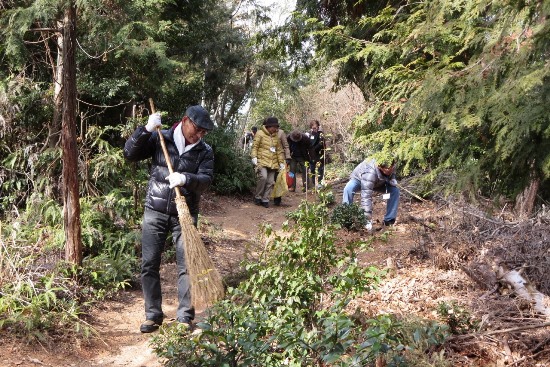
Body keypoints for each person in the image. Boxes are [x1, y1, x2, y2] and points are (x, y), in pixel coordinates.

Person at [123, 105, 214, 333]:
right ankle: (153, 315)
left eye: (204, 132)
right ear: (185, 120)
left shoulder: (205, 151)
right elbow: (129, 154)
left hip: (185, 213)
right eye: (198, 129)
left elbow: (206, 180)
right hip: (155, 209)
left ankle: (185, 317)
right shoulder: (160, 138)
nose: (200, 135)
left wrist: (186, 178)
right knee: (149, 263)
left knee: (187, 265)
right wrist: (144, 130)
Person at [342, 155, 400, 230]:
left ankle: (389, 220)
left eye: (391, 168)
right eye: (387, 170)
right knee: (348, 189)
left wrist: (392, 178)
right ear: (380, 167)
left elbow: (392, 173)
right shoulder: (370, 173)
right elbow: (366, 196)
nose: (390, 170)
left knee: (394, 191)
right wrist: (367, 217)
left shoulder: (391, 163)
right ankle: (346, 219)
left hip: (378, 181)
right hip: (359, 180)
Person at [251, 117, 285, 208]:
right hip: (262, 161)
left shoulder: (276, 136)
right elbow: (255, 146)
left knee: (270, 181)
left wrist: (281, 162)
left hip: (273, 162)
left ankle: (265, 199)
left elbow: (279, 150)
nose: (276, 129)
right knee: (263, 177)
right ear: (269, 126)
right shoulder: (260, 133)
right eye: (275, 127)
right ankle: (258, 196)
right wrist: (254, 157)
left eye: (277, 127)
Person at [273, 127, 291, 206]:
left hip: (280, 159)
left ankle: (277, 199)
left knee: (278, 179)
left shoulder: (281, 133)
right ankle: (264, 198)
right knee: (269, 179)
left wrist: (288, 157)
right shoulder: (266, 133)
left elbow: (286, 146)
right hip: (269, 158)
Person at [307, 119, 325, 189]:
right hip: (312, 155)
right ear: (311, 127)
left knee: (320, 169)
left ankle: (320, 184)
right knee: (312, 169)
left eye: (316, 127)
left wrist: (314, 149)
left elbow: (321, 144)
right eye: (314, 128)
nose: (315, 129)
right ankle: (313, 184)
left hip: (319, 154)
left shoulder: (321, 134)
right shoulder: (309, 134)